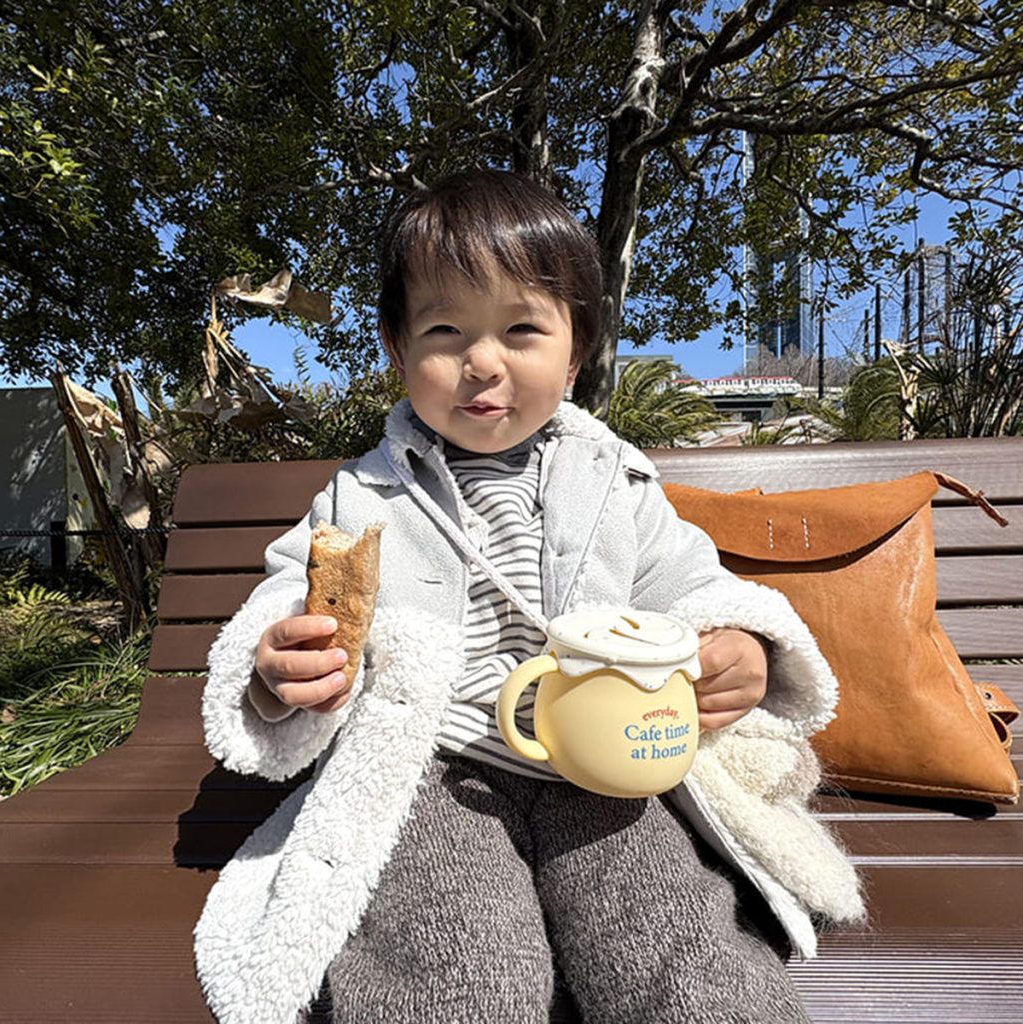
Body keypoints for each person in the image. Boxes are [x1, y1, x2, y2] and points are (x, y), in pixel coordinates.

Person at [194, 170, 864, 1024]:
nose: (482, 362)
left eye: (521, 328)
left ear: (575, 350)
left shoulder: (614, 480)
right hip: (433, 767)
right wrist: (278, 660)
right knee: (461, 972)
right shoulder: (360, 495)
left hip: (603, 764)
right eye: (444, 330)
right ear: (396, 349)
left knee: (680, 949)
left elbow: (694, 583)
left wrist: (740, 643)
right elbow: (294, 587)